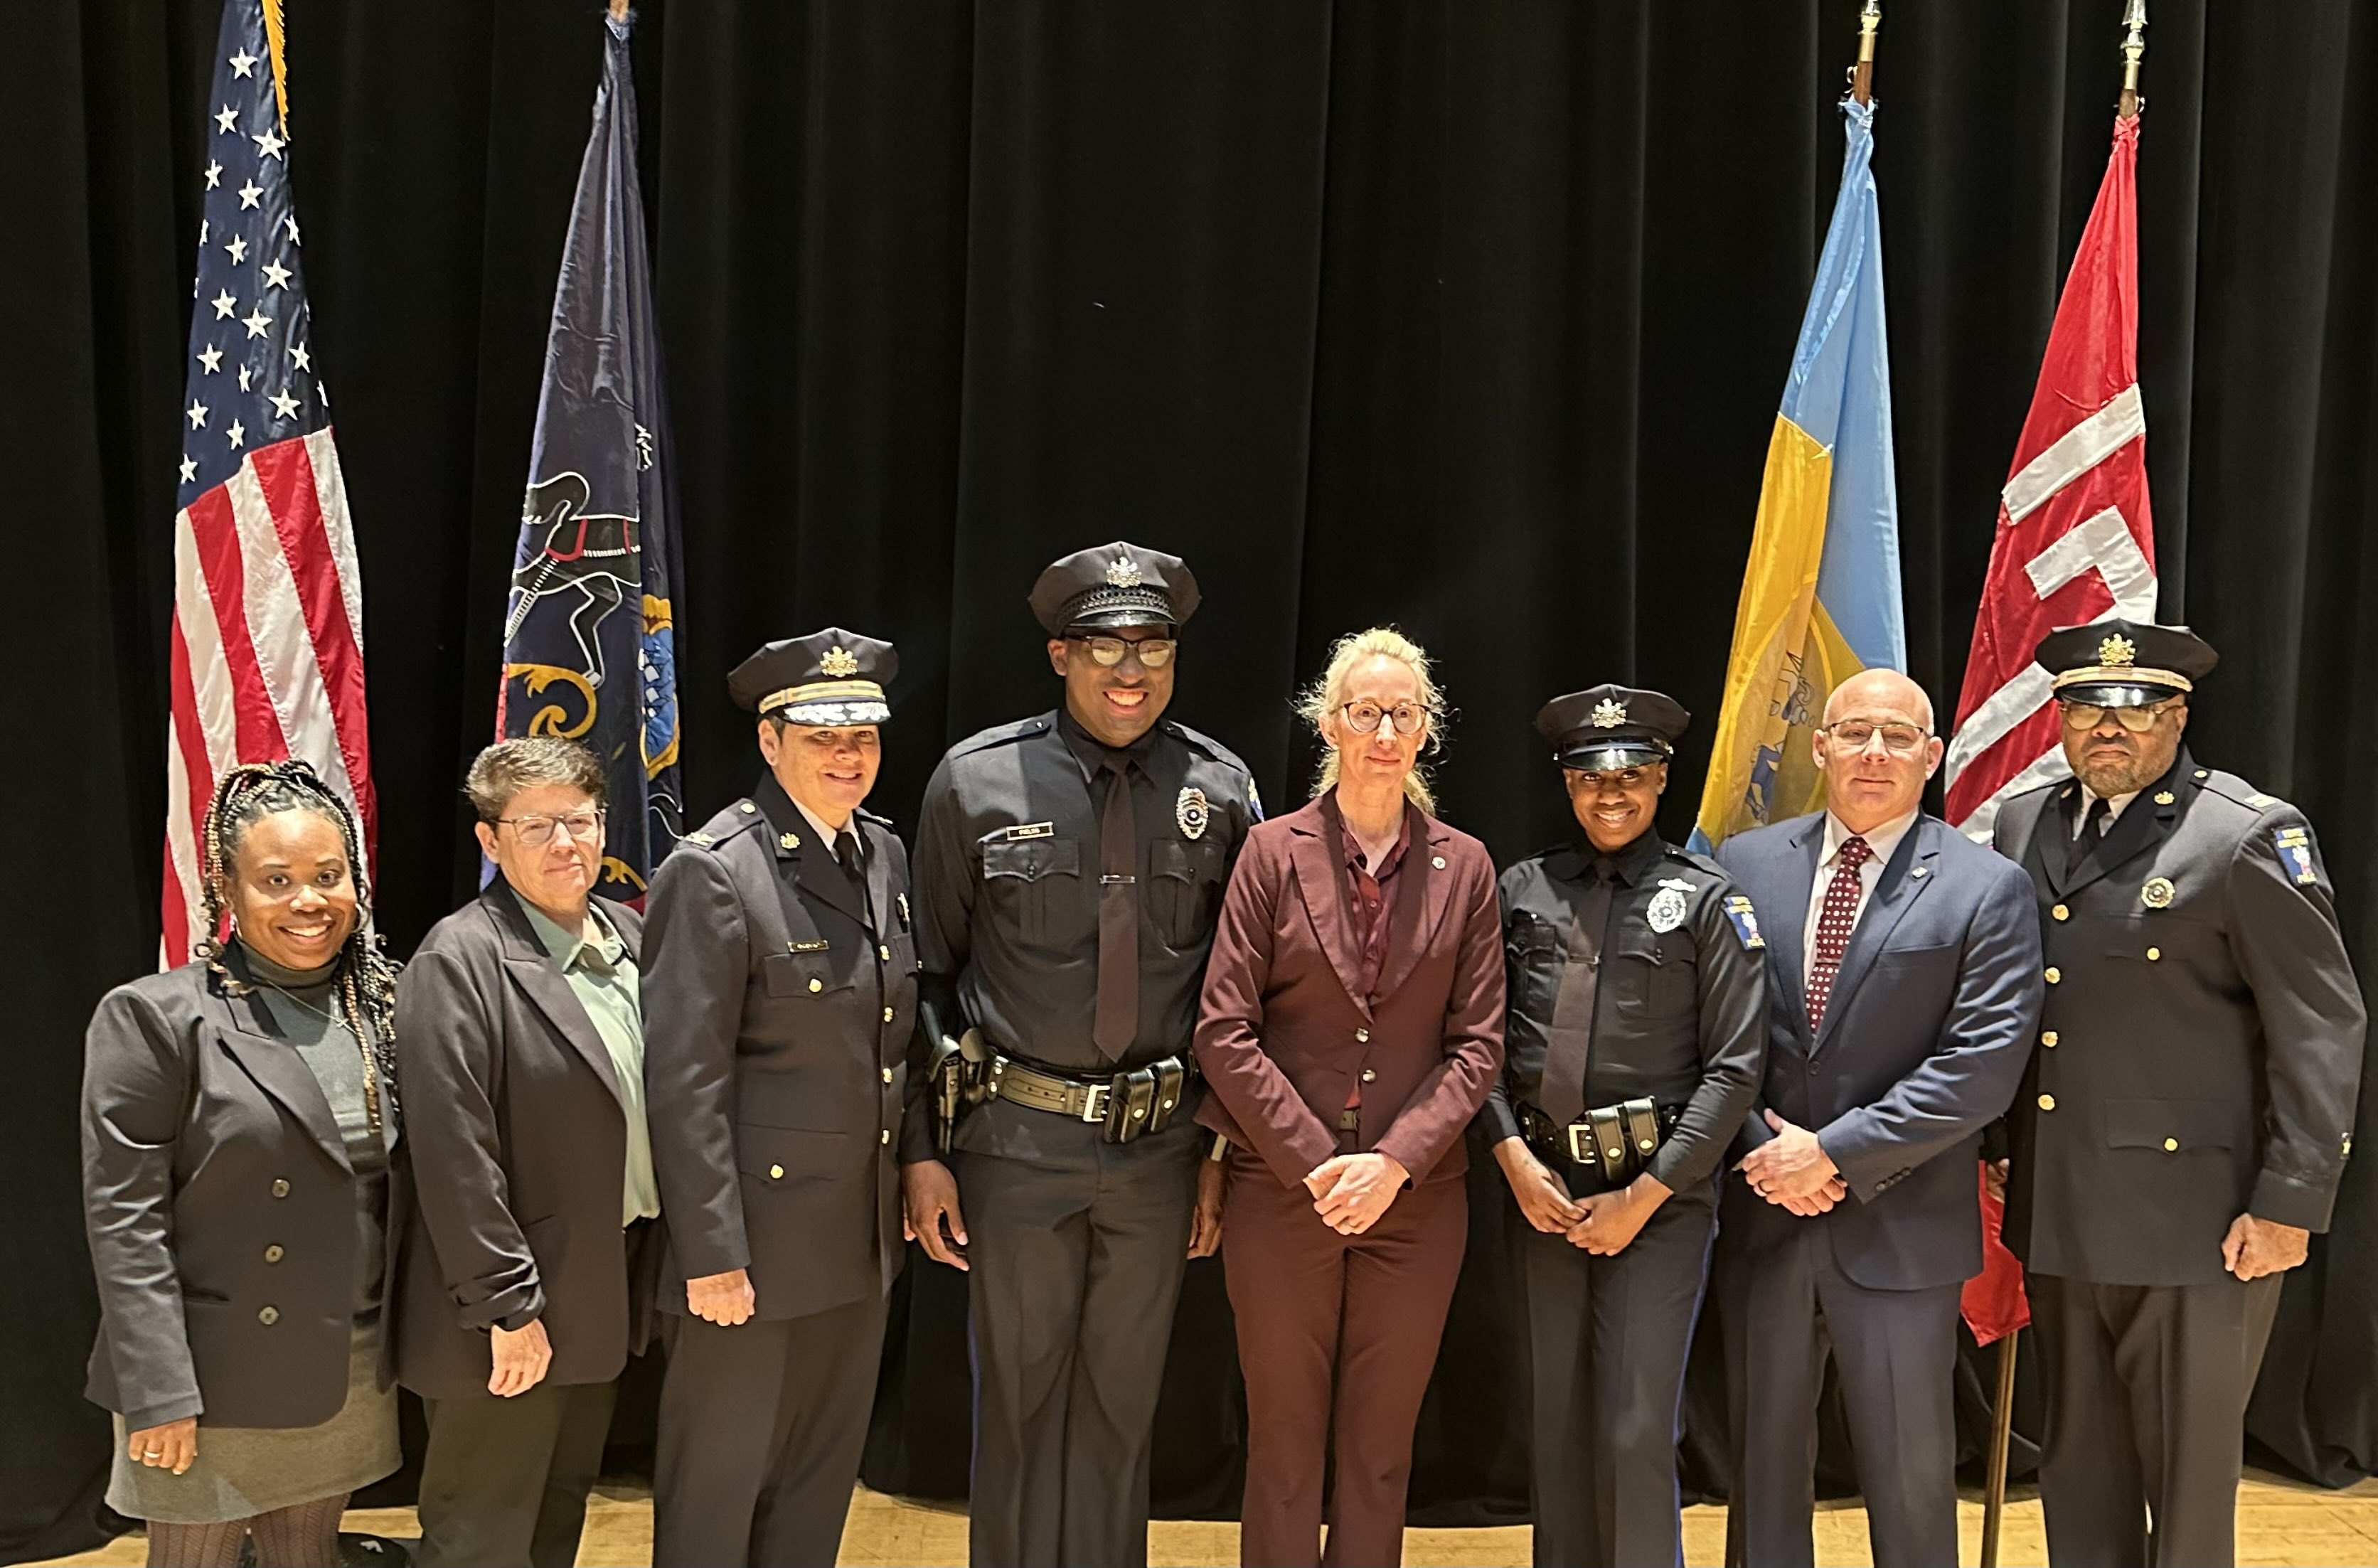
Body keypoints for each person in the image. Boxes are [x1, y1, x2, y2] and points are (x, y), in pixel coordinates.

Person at [903, 542, 1257, 1567]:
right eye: (1105, 645)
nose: (1130, 669)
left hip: (1156, 1155)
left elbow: (1240, 995)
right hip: (1016, 1143)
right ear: (1061, 654)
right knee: (1016, 1404)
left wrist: (1220, 1155)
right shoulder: (975, 781)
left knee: (1121, 1408)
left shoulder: (1222, 789)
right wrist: (925, 1149)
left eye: (1152, 644)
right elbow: (926, 978)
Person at [1992, 619, 2365, 1567]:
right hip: (2062, 1208)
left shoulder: (2245, 835)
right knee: (2076, 1470)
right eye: (2086, 706)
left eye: (2135, 707)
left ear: (2179, 713)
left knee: (2189, 1488)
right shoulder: (2024, 820)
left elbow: (2321, 1031)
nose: (2108, 727)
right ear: (2060, 717)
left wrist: (2290, 1205)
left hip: (2198, 1225)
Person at [1711, 668, 2041, 1568]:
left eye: (1897, 738)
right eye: (1853, 732)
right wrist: (1763, 1153)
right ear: (1818, 747)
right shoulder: (1739, 865)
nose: (1873, 753)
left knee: (1907, 1478)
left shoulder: (1986, 886)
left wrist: (1833, 1155)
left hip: (1901, 1231)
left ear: (1931, 757)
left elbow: (1979, 1069)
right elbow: (1707, 1038)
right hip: (1764, 1215)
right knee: (1762, 1474)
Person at [1195, 627, 1504, 1568]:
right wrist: (1319, 1161)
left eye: (1402, 714)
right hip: (1283, 1197)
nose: (1382, 730)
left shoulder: (1467, 865)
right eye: (1364, 711)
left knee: (1379, 1453)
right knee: (1284, 1448)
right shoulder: (1269, 853)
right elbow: (1222, 1028)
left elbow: (1479, 1043)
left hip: (1416, 1207)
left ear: (1426, 731)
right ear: (1329, 722)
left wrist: (1394, 1163)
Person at [641, 629, 917, 1568]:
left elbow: (887, 1048)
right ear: (770, 741)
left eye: (864, 738)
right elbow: (684, 1084)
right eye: (822, 737)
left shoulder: (880, 854)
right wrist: (712, 1256)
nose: (849, 758)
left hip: (853, 1244)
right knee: (715, 1500)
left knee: (813, 1493)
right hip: (748, 1258)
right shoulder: (715, 872)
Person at [81, 760, 403, 1568]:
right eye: (277, 880)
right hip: (208, 1372)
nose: (307, 901)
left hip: (347, 1356)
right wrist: (158, 1392)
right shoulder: (156, 1019)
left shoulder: (386, 1007)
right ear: (228, 889)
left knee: (308, 1557)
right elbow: (126, 1224)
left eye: (327, 875)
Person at [1481, 685, 1766, 1568]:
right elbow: (1476, 1045)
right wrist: (1513, 1162)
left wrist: (1643, 1197)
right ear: (1567, 783)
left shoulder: (1707, 899)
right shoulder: (1521, 890)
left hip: (1658, 1199)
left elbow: (1733, 1070)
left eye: (1632, 776)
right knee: (1557, 1423)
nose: (1613, 795)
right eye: (1592, 777)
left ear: (1660, 778)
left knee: (1635, 1426)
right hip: (1543, 1191)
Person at [391, 737, 658, 1568]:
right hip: (505, 1309)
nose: (564, 845)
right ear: (489, 840)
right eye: (536, 826)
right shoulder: (457, 961)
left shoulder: (633, 938)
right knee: (481, 1537)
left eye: (579, 821)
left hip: (599, 1282)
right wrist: (507, 1308)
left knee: (553, 1520)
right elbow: (453, 1156)